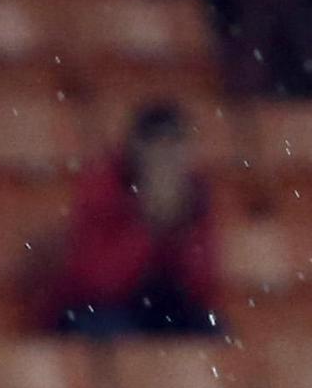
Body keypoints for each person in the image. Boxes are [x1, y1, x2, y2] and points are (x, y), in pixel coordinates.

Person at [43, 103, 225, 337]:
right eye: (158, 145)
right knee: (108, 329)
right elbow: (97, 282)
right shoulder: (103, 186)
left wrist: (177, 228)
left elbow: (202, 284)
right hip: (100, 309)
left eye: (175, 145)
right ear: (137, 147)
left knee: (212, 331)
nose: (166, 158)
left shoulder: (194, 193)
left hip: (161, 310)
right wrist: (147, 224)